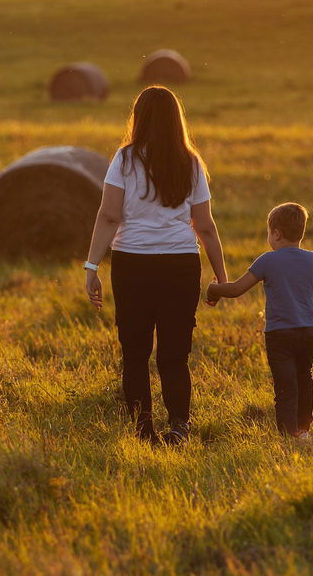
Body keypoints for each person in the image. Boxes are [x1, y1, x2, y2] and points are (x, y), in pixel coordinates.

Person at [84, 86, 228, 445]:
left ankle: (143, 429)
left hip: (132, 265)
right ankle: (179, 426)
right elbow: (205, 226)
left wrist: (91, 266)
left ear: (140, 117)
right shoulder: (191, 162)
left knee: (134, 353)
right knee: (174, 354)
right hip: (181, 264)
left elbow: (109, 215)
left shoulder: (125, 158)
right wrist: (221, 277)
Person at [205, 202, 313, 439]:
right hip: (309, 332)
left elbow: (236, 289)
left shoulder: (267, 260)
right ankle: (304, 428)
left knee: (285, 385)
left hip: (280, 334)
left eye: (269, 232)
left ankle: (289, 434)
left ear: (276, 233)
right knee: (304, 377)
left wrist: (213, 288)